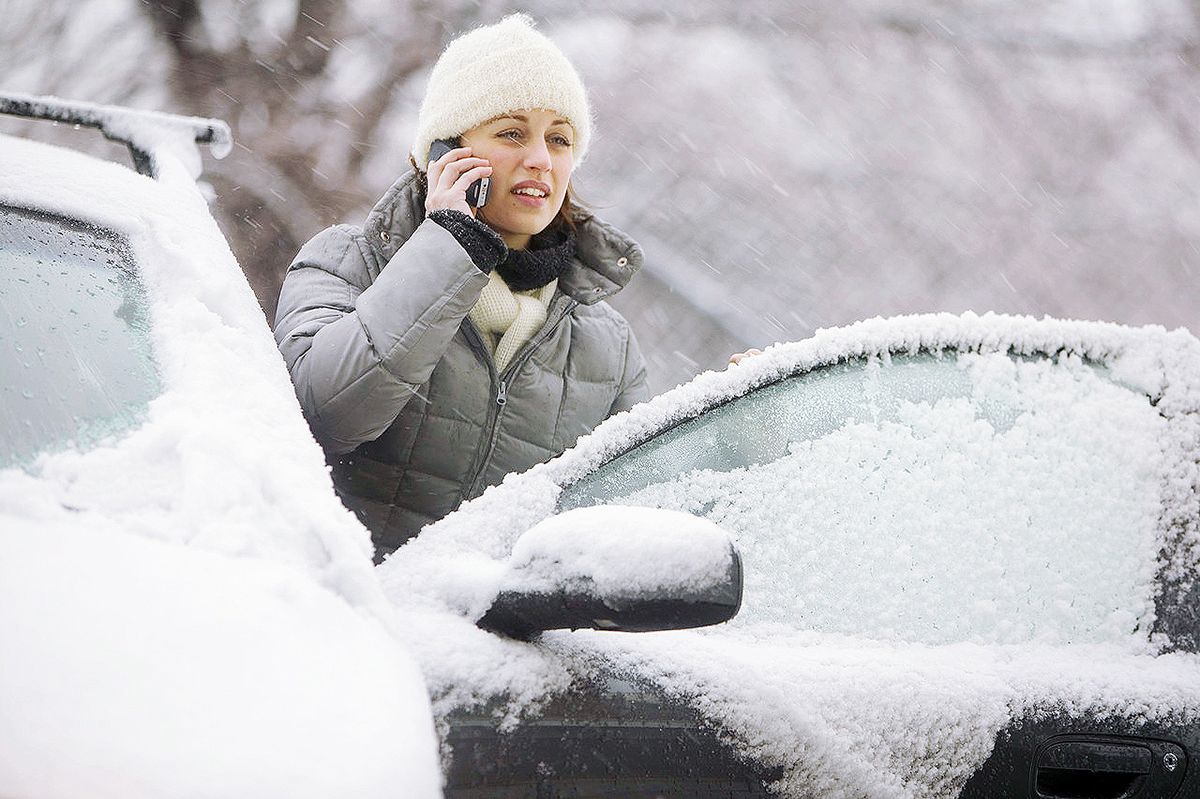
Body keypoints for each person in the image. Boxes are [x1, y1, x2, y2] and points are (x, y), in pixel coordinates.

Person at [273, 14, 648, 563]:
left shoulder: (608, 346)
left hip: (497, 644)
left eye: (560, 139)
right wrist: (449, 248)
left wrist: (743, 431)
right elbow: (324, 416)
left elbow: (638, 515)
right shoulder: (346, 262)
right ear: (444, 152)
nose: (541, 159)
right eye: (511, 133)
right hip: (349, 623)